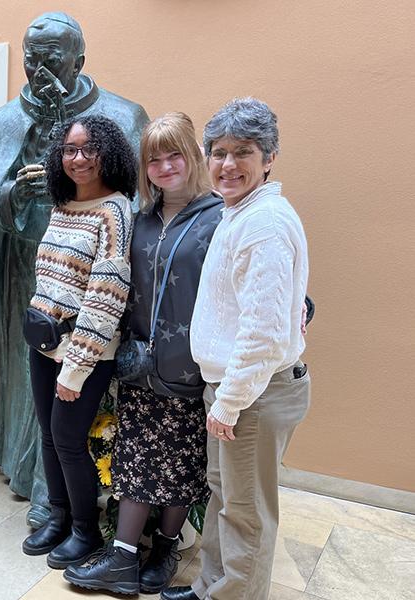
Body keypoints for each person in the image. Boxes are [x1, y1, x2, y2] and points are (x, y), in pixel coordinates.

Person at [0, 12, 149, 526]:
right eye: (31, 56)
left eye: (53, 56)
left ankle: (61, 495)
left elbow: (141, 208)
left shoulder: (124, 116)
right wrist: (9, 197)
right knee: (24, 382)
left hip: (93, 287)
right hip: (21, 275)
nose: (40, 67)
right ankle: (31, 472)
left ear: (80, 60)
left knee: (79, 389)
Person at [62, 113, 221, 594]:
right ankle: (125, 559)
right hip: (137, 366)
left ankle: (166, 547)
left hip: (191, 369)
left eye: (175, 155)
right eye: (155, 159)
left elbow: (250, 276)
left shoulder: (219, 216)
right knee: (135, 460)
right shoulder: (140, 221)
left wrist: (300, 303)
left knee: (180, 463)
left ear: (193, 157)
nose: (166, 166)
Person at [162, 98, 310, 600]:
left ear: (268, 158)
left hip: (250, 395)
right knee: (227, 500)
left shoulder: (263, 222)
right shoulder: (239, 212)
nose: (227, 164)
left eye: (242, 152)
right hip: (234, 389)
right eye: (218, 152)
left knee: (246, 513)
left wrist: (228, 401)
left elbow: (264, 334)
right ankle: (211, 587)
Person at [21, 114, 134, 570]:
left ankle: (86, 531)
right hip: (43, 341)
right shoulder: (62, 205)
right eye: (70, 149)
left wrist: (76, 366)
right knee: (49, 435)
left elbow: (106, 299)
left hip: (83, 352)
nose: (79, 158)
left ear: (108, 153)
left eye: (89, 149)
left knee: (69, 440)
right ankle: (58, 516)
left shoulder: (115, 211)